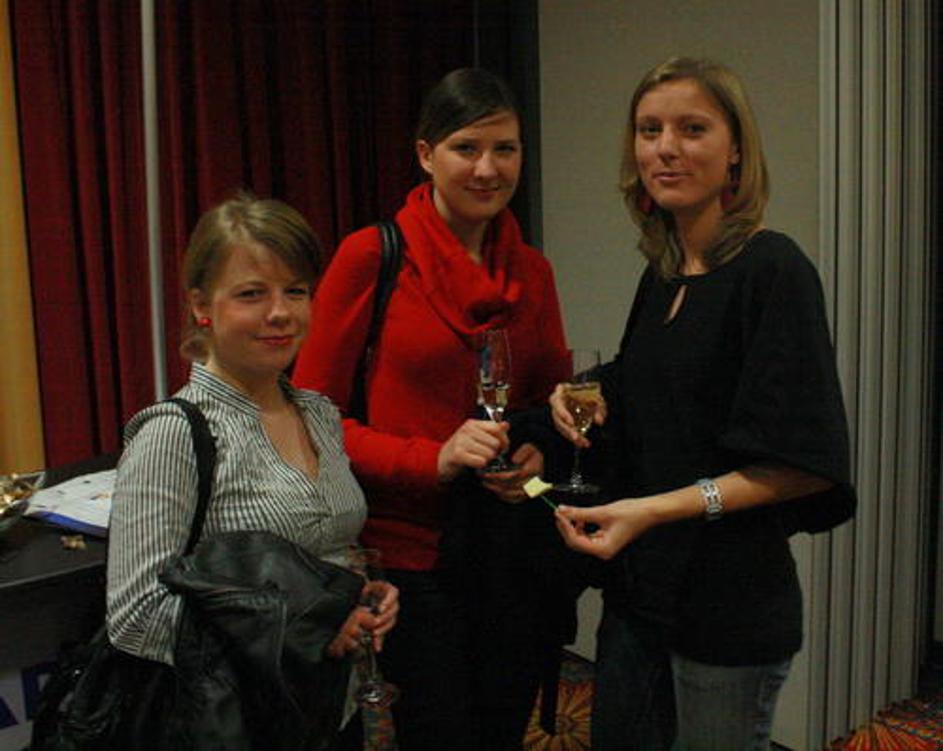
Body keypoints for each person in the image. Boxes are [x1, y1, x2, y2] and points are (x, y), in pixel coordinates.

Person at [549, 58, 856, 751]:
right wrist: (579, 389)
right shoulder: (663, 272)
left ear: (735, 149)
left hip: (728, 606)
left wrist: (650, 510)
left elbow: (802, 465)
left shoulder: (772, 269)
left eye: (692, 129)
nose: (666, 148)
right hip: (640, 593)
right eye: (649, 129)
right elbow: (652, 379)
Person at [293, 68, 573, 750]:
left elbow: (549, 401)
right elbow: (310, 420)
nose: (487, 168)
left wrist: (538, 450)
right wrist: (433, 459)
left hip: (507, 549)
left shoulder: (532, 271)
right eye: (465, 148)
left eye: (504, 149)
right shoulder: (372, 256)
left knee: (501, 729)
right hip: (409, 553)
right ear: (425, 154)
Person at [106, 194, 398, 750]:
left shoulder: (319, 413)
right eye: (251, 294)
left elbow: (323, 553)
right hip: (238, 725)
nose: (280, 313)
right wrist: (306, 630)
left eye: (296, 291)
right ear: (201, 305)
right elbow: (137, 616)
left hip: (329, 708)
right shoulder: (174, 434)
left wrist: (361, 592)